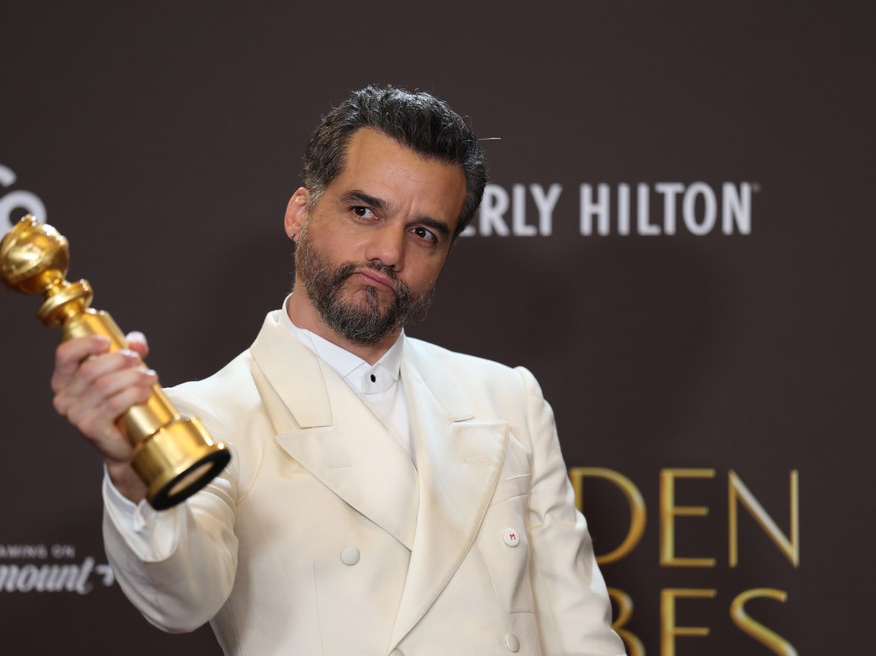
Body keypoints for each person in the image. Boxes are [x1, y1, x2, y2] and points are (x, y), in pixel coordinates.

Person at [51, 85, 627, 656]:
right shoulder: (204, 416)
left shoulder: (508, 398)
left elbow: (579, 627)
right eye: (363, 211)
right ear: (301, 213)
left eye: (423, 232)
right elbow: (181, 599)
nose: (388, 252)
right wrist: (131, 472)